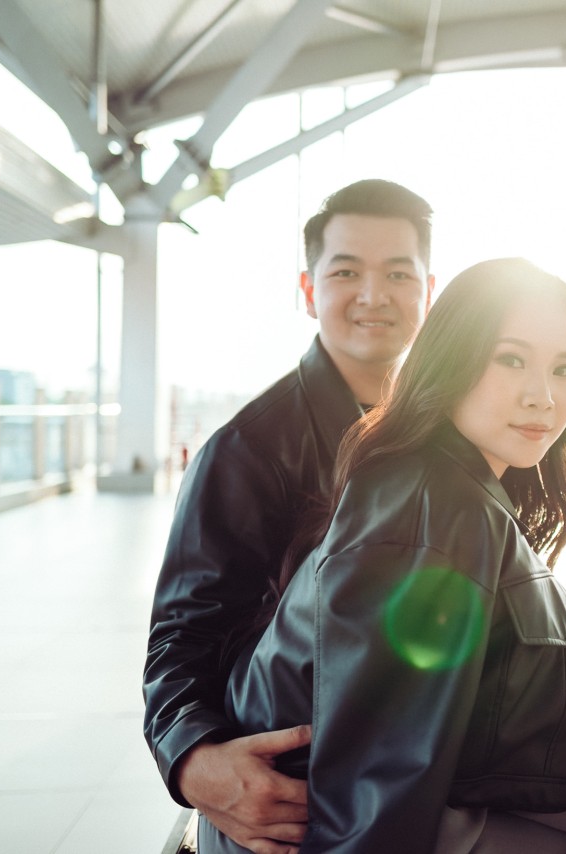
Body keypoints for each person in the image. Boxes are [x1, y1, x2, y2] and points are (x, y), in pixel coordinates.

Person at [204, 258, 566, 853]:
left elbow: (517, 702)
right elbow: (401, 758)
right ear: (452, 361)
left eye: (564, 369)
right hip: (313, 824)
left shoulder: (434, 473)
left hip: (335, 793)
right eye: (512, 360)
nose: (542, 396)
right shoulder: (436, 505)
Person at [143, 179, 437, 850]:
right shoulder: (247, 450)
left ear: (429, 291)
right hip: (299, 772)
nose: (373, 295)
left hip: (406, 740)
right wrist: (196, 763)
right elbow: (179, 642)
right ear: (308, 290)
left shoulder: (445, 433)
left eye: (398, 274)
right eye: (346, 272)